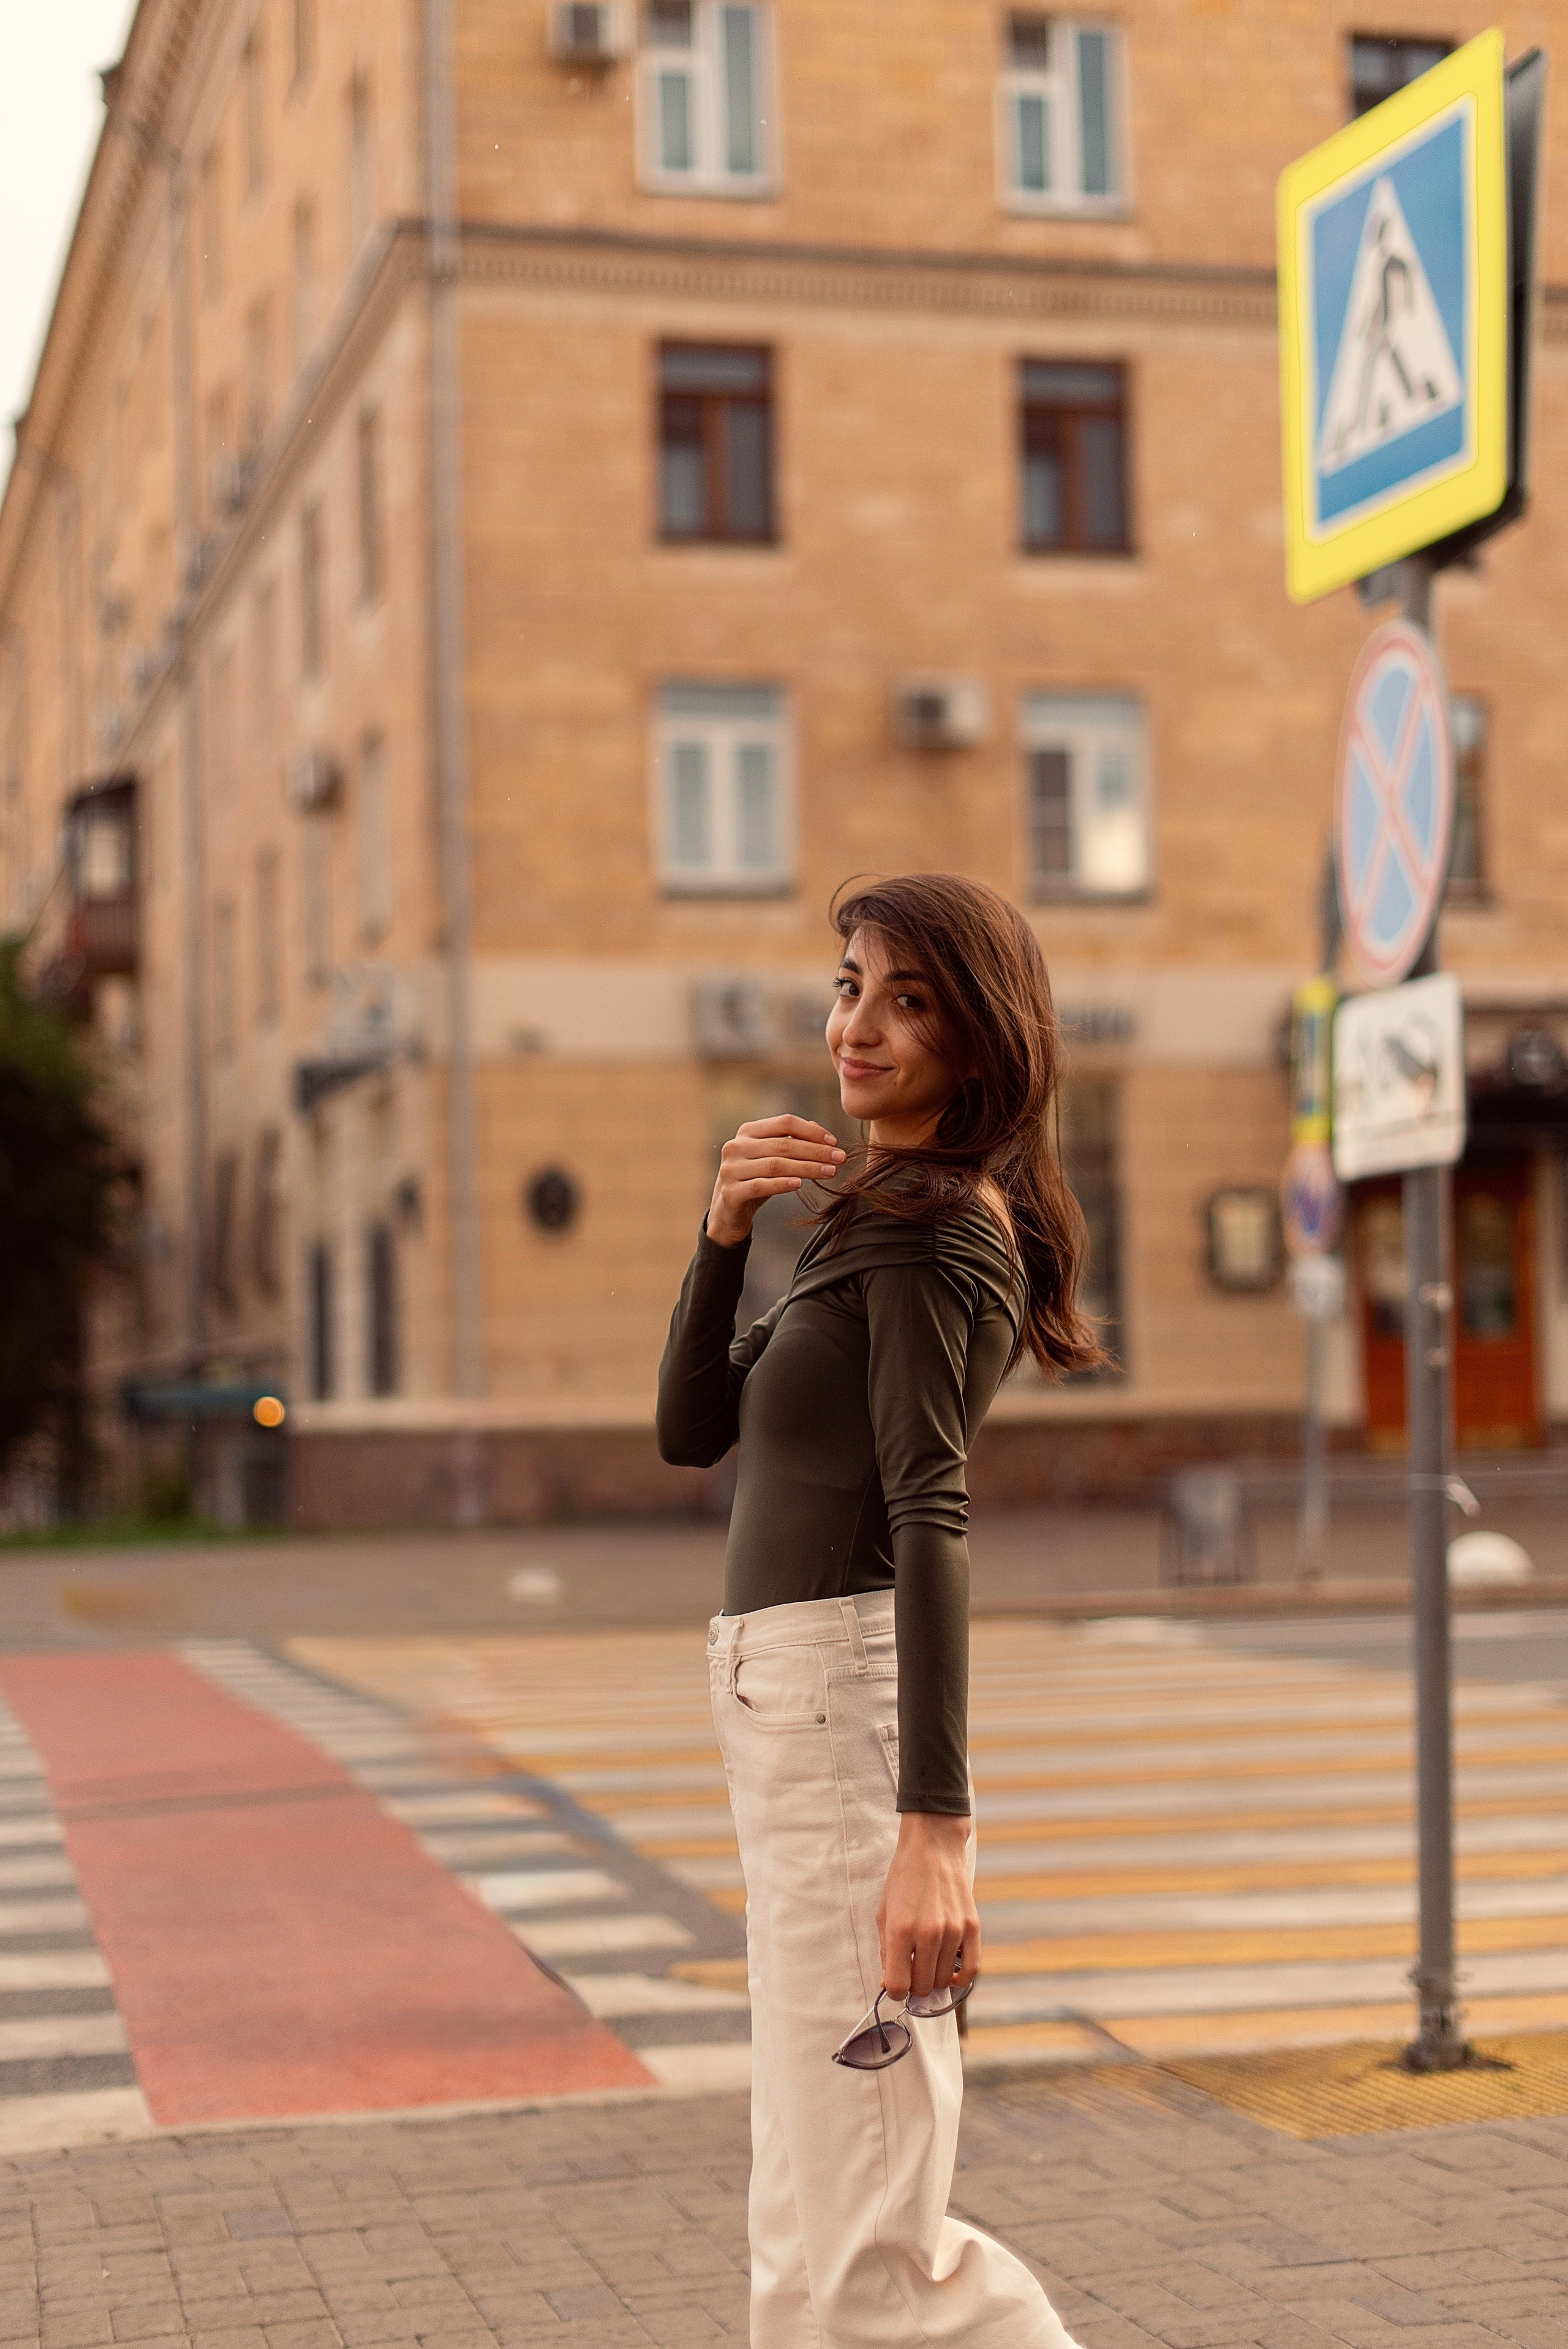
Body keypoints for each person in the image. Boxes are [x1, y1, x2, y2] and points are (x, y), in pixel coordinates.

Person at [658, 872, 1102, 2348]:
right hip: (791, 1707)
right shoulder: (865, 1210)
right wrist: (722, 1230)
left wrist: (935, 1831)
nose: (858, 1023)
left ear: (978, 1046)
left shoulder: (925, 1229)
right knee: (801, 2214)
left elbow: (932, 1508)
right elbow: (689, 1431)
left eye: (908, 1000)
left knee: (868, 2250)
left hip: (844, 1711)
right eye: (852, 983)